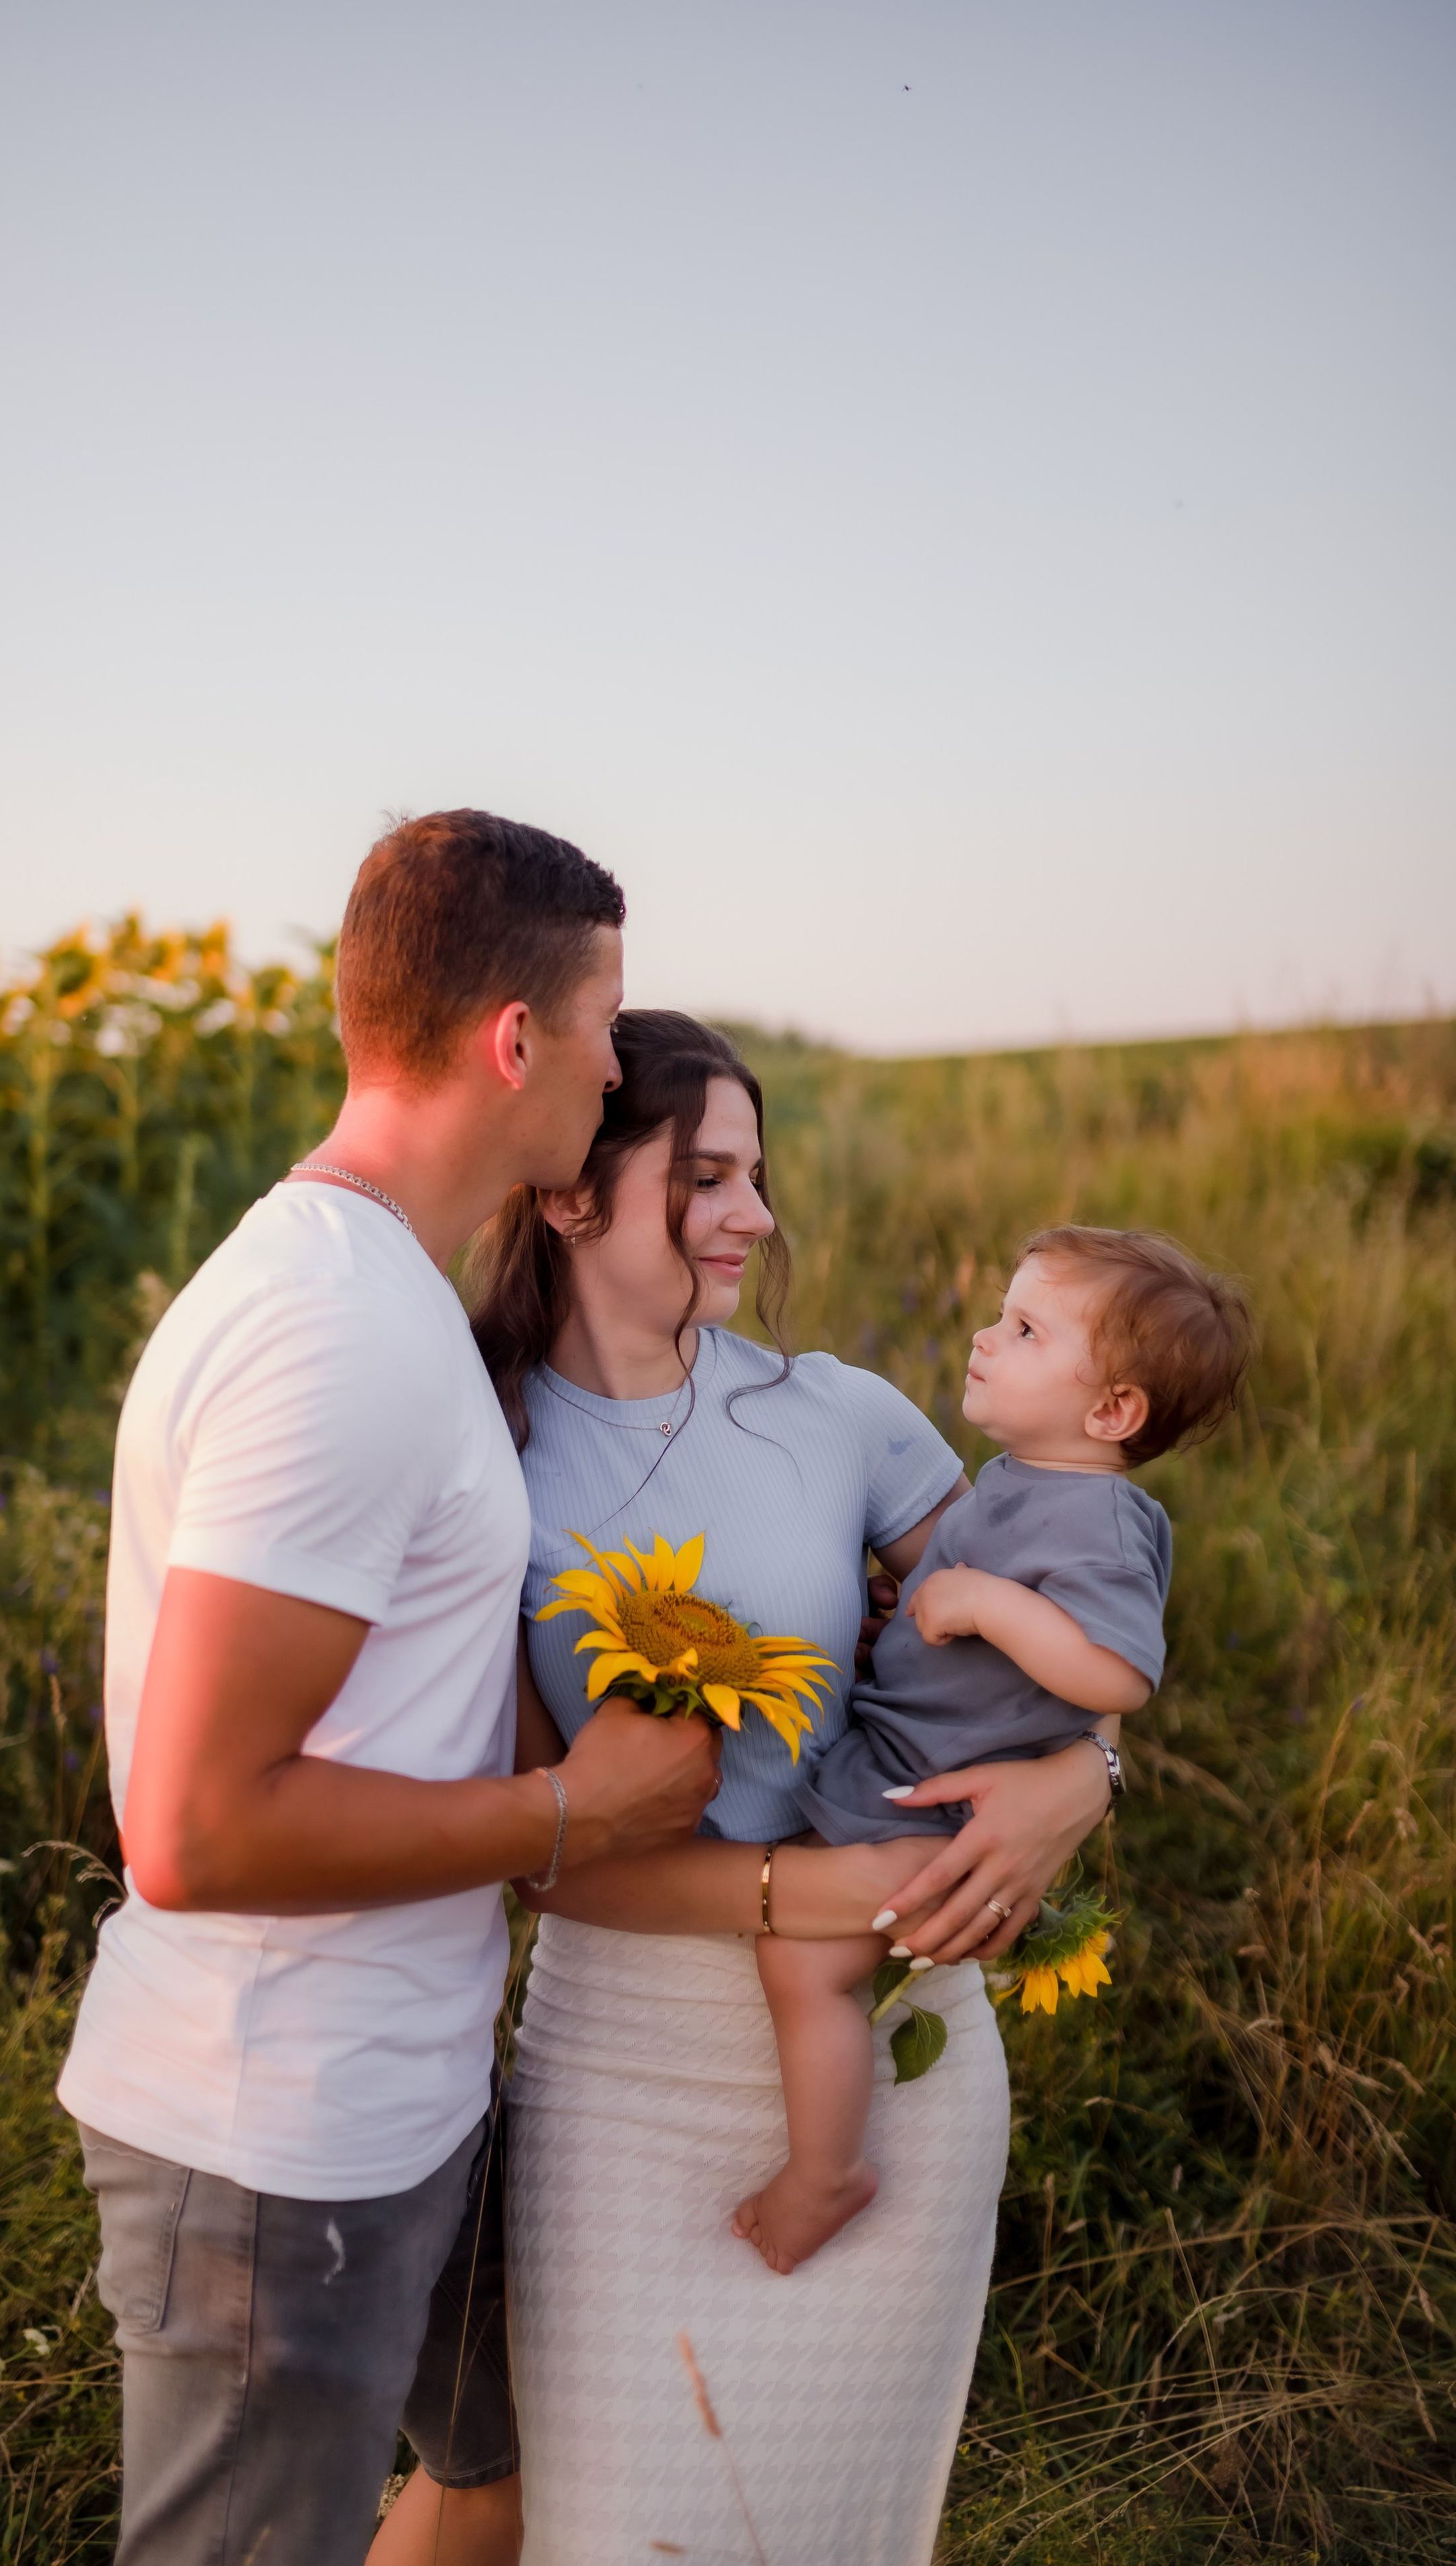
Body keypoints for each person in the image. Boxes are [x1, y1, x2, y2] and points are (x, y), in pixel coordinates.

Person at [56, 815, 720, 2566]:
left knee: (502, 2474)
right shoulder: (332, 1333)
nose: (612, 1067)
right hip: (281, 2136)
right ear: (517, 1040)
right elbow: (194, 1826)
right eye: (603, 1026)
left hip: (407, 2088)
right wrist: (582, 1811)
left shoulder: (385, 1295)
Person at [461, 1012, 1127, 2566]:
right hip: (624, 2078)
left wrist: (1076, 1784)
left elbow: (1057, 1647)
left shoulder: (839, 1413)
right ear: (569, 1193)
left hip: (902, 2057)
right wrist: (800, 1892)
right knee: (618, 2534)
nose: (754, 1216)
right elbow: (537, 1854)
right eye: (704, 1179)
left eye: (755, 1175)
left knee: (837, 2531)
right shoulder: (478, 1452)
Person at [738, 1225, 1253, 2273]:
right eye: (1000, 1316)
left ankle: (827, 2176)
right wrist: (920, 1612)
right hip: (913, 1749)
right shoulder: (1021, 1481)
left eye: (1023, 1329)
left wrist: (984, 1603)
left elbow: (1118, 1674)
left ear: (1111, 1411)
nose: (983, 1337)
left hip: (937, 1802)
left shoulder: (1104, 1517)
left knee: (802, 1966)